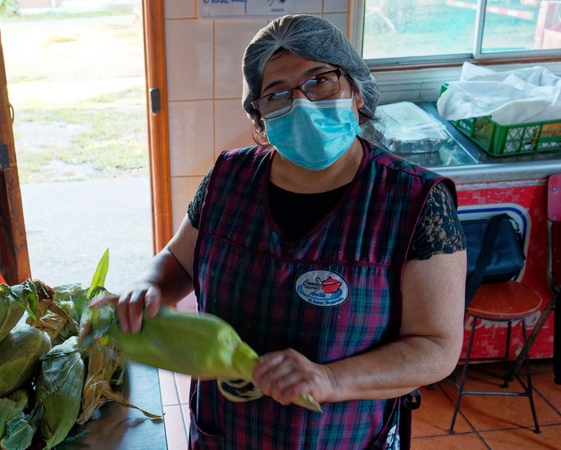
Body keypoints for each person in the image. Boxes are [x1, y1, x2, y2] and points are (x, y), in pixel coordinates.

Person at [94, 14, 466, 449]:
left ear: (356, 92)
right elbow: (179, 259)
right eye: (278, 94)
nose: (303, 103)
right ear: (260, 116)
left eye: (320, 81)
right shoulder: (227, 178)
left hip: (342, 436)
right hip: (226, 433)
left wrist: (330, 378)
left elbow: (436, 348)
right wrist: (150, 285)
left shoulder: (415, 201)